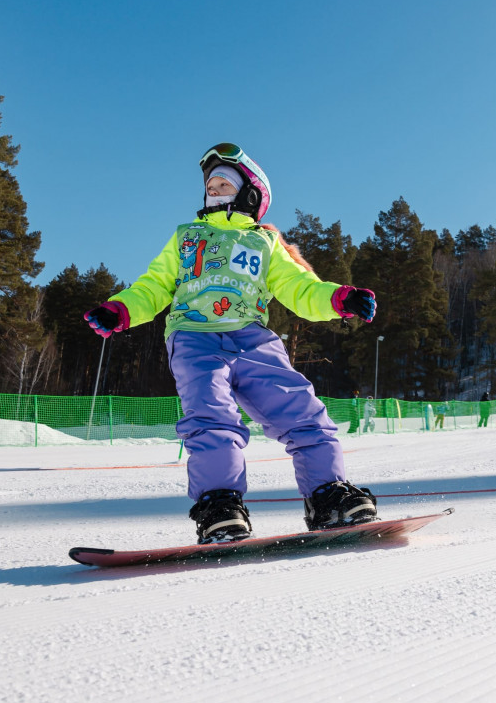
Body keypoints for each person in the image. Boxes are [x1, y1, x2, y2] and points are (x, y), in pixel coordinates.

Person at [83, 142, 379, 544]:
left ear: (250, 194)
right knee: (212, 417)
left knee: (302, 410)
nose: (215, 191)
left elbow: (298, 287)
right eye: (211, 185)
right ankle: (220, 504)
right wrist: (120, 310)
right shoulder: (187, 237)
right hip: (195, 338)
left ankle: (328, 496)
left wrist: (337, 299)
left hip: (254, 340)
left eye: (225, 184)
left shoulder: (265, 243)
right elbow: (154, 285)